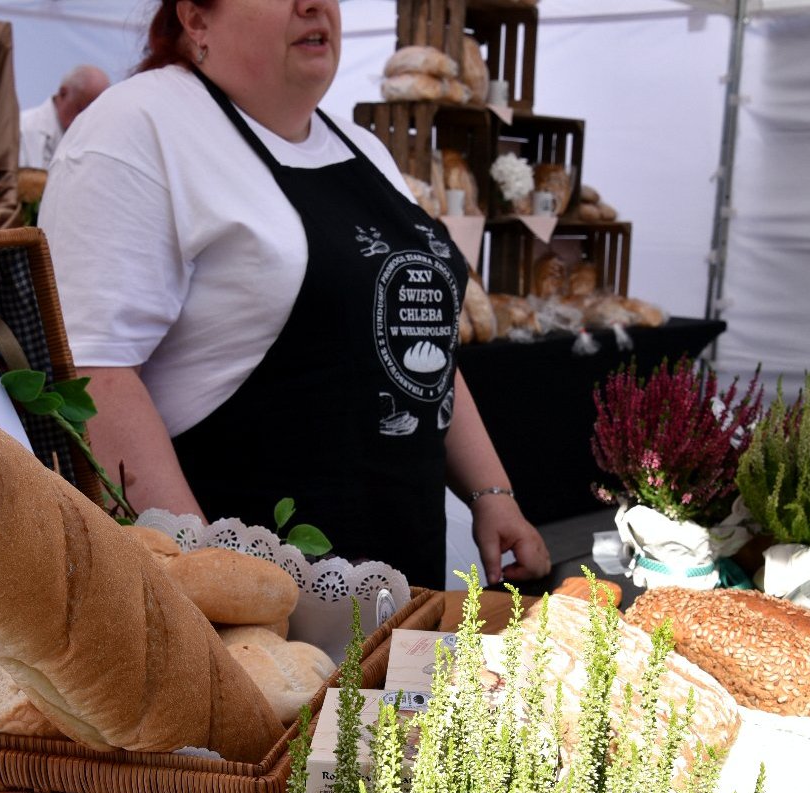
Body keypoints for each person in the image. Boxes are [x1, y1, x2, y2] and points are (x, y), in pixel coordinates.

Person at [40, 0, 550, 588]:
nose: (314, 5)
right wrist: (203, 589)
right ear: (196, 19)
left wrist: (491, 493)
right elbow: (94, 375)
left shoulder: (363, 150)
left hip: (404, 573)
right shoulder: (139, 127)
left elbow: (414, 342)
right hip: (262, 607)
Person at [19, 64, 110, 168]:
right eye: (80, 110)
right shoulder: (22, 129)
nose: (82, 121)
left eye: (91, 116)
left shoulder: (92, 147)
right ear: (63, 93)